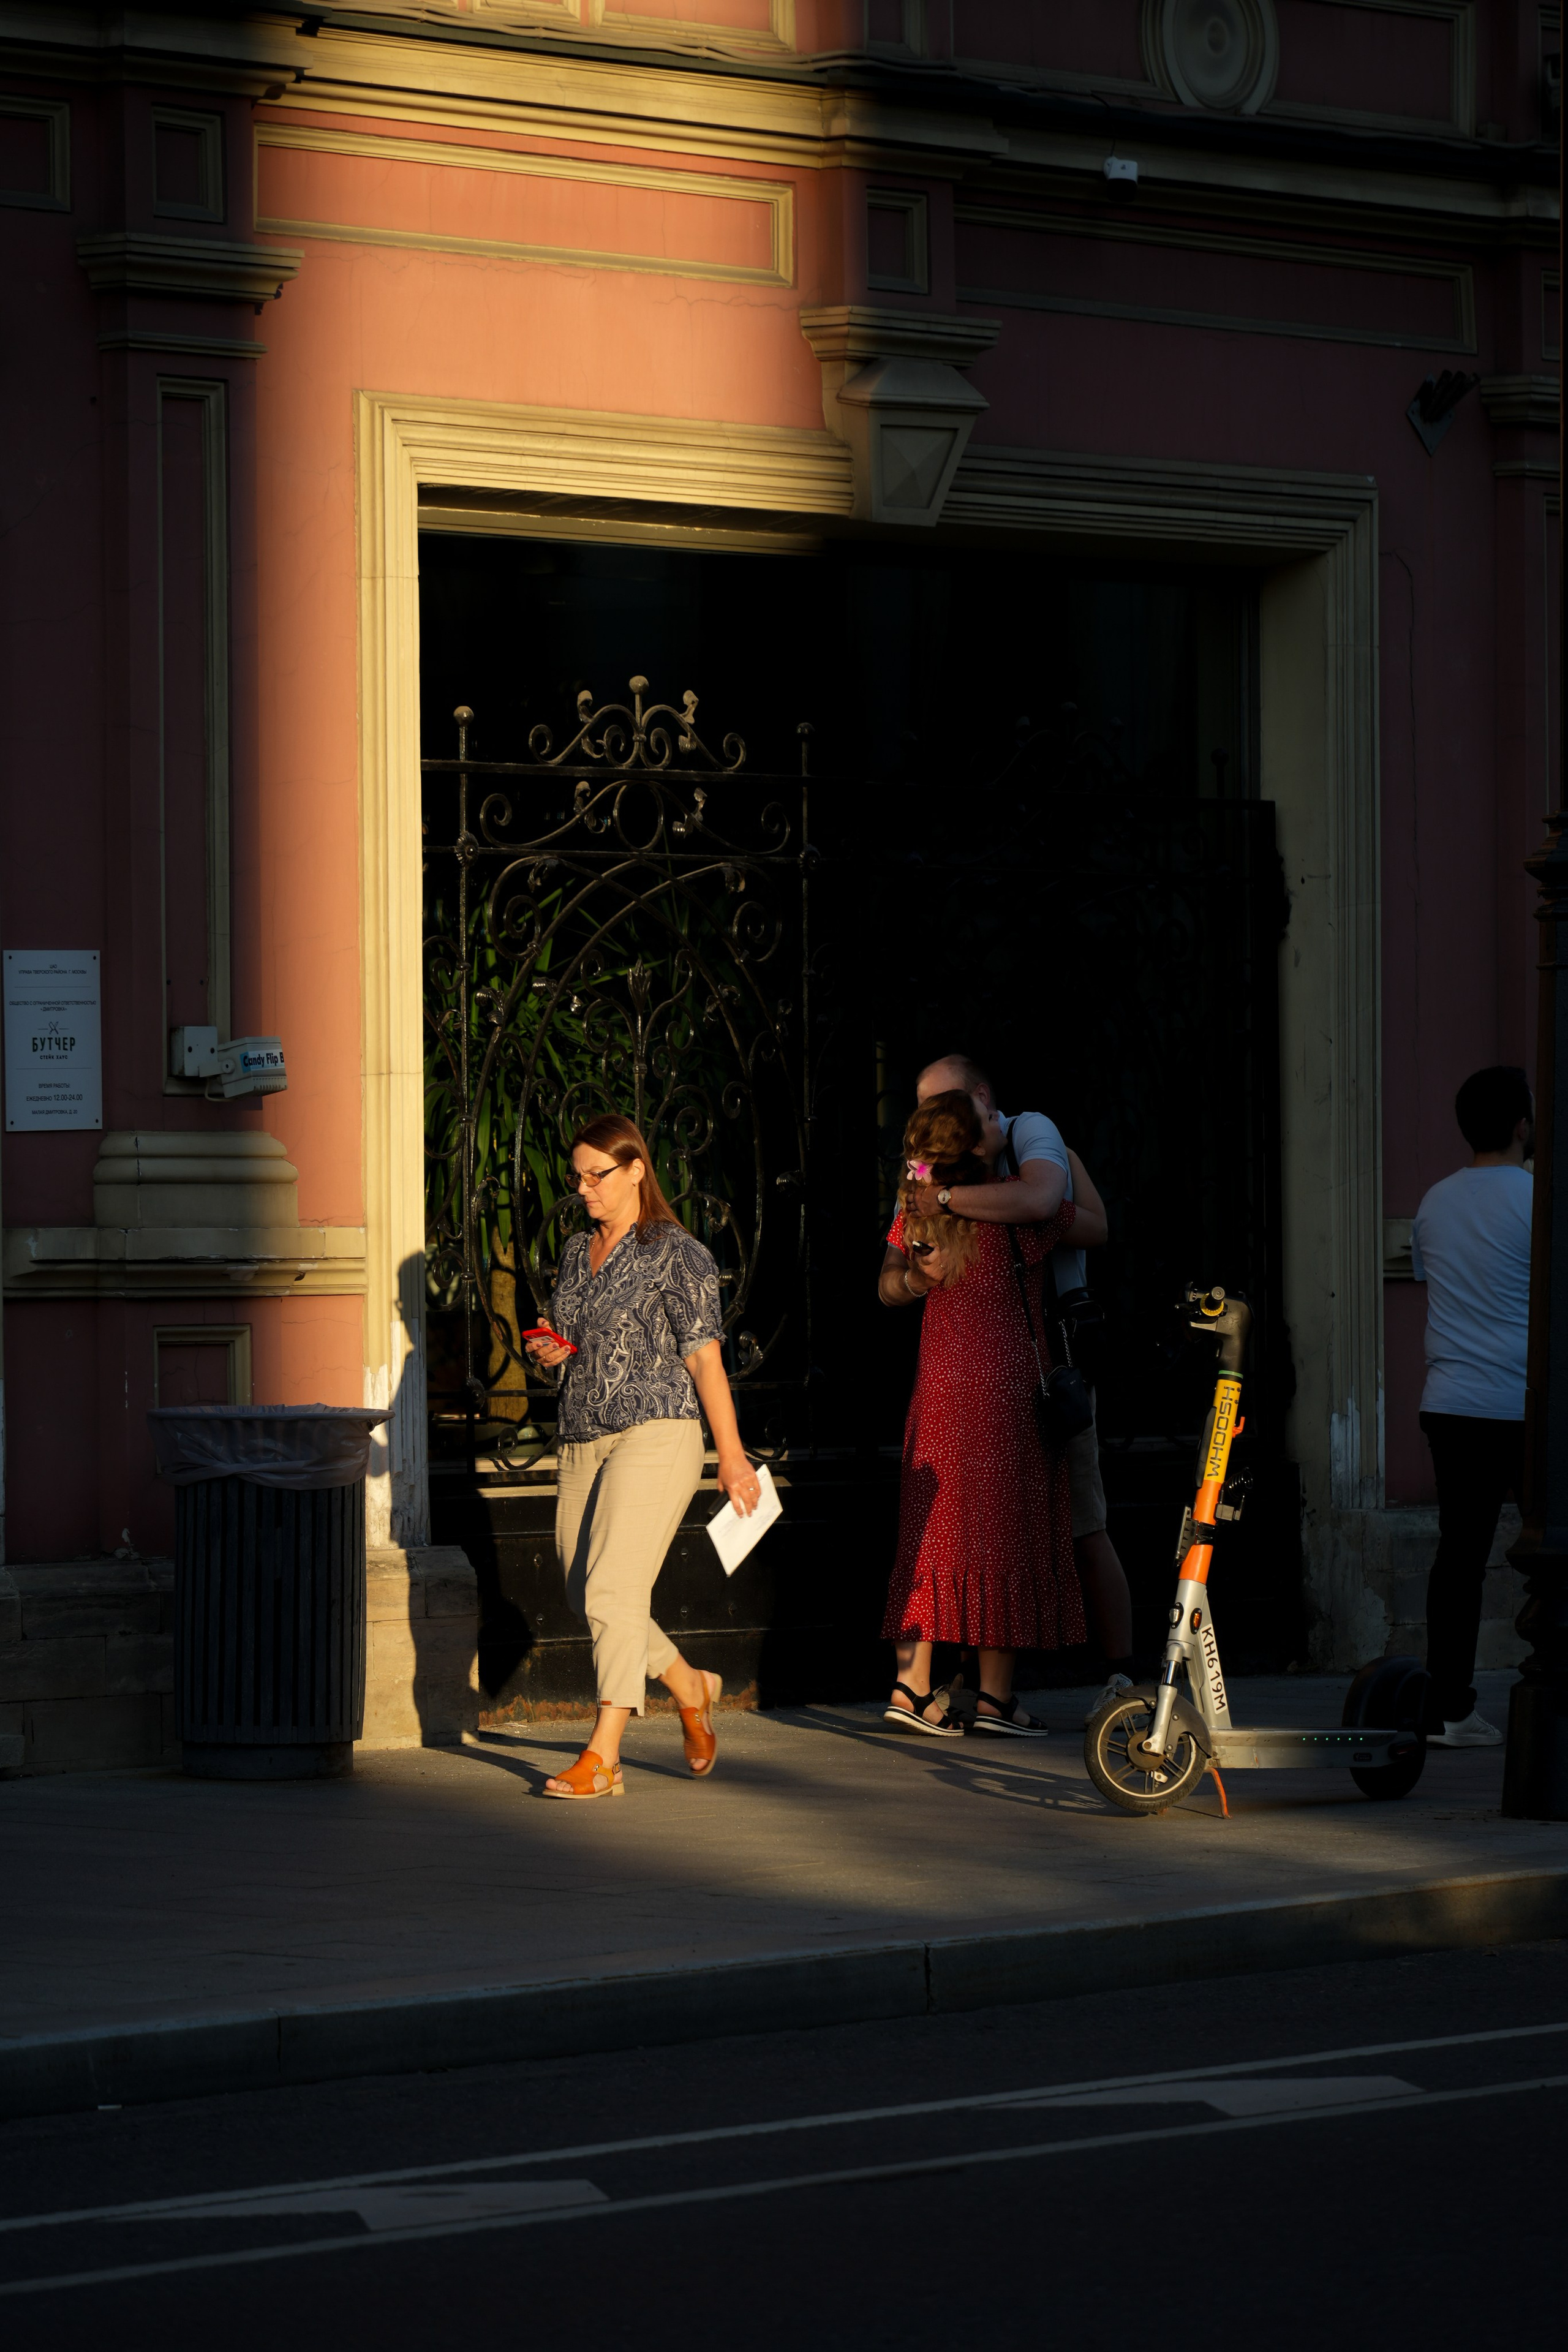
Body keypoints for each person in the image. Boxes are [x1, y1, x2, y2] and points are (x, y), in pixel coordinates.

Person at [526, 1113, 761, 1798]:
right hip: (582, 1435)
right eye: (578, 1176)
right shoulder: (577, 1250)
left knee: (613, 1591)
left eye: (596, 1175)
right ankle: (689, 1685)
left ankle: (604, 1756)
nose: (583, 1188)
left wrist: (732, 1455)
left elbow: (705, 1360)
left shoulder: (678, 1253)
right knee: (584, 1592)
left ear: (635, 1171)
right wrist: (550, 1351)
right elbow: (570, 1337)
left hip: (657, 1431)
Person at [908, 1054, 1136, 1717]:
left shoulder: (1029, 1132)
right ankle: (976, 1685)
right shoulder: (927, 1170)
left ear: (982, 1102)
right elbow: (905, 1236)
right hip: (974, 1375)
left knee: (1080, 1520)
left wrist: (945, 1200)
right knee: (979, 1529)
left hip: (1051, 1362)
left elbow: (1055, 1208)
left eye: (946, 1105)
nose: (932, 1120)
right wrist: (917, 1253)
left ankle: (1120, 1673)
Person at [1410, 1065, 1534, 1748]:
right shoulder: (1537, 1198)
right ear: (1522, 1124)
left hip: (1452, 1401)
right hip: (1524, 1403)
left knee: (1458, 1558)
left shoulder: (1435, 1201)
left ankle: (1448, 1710)